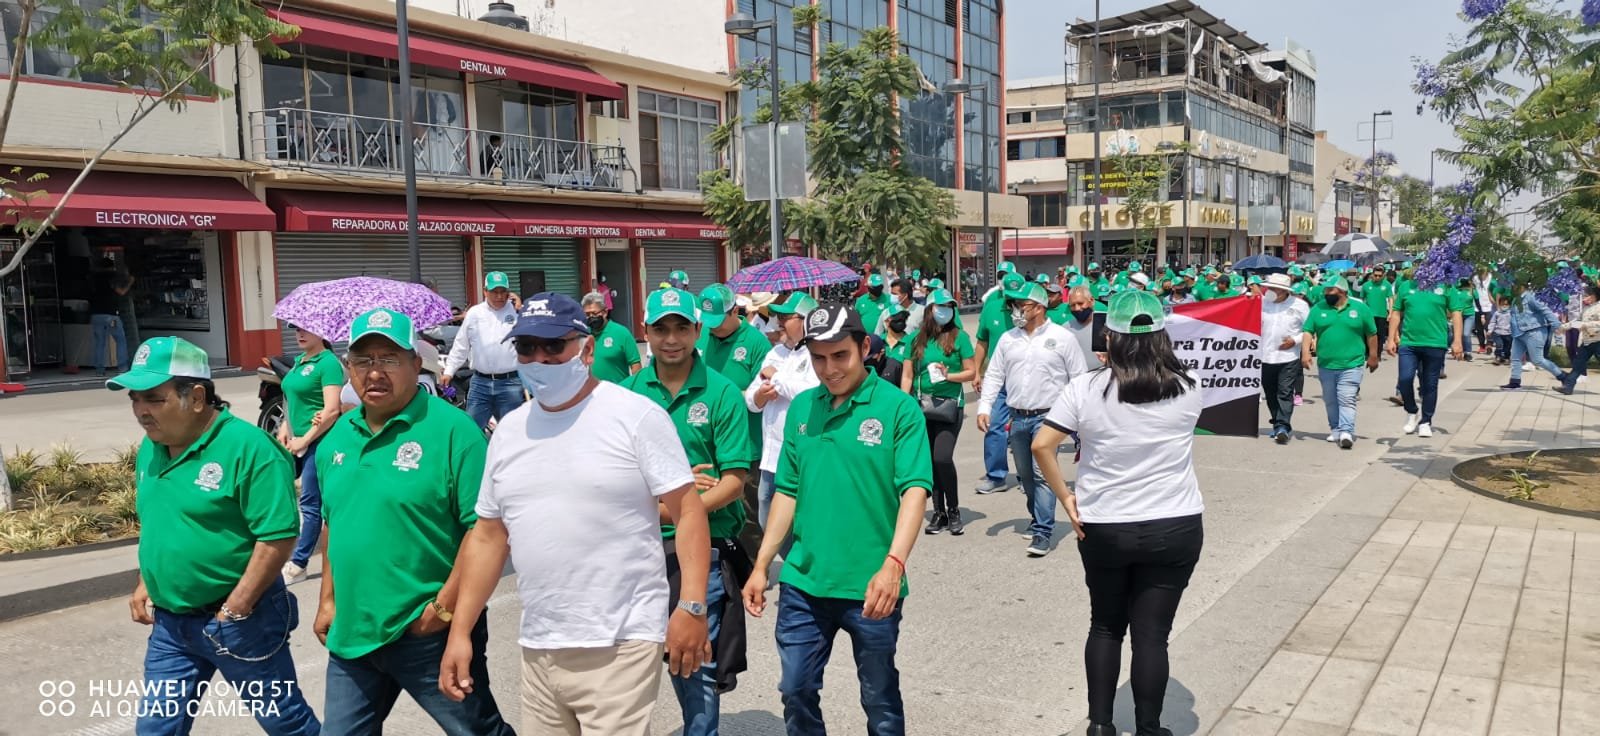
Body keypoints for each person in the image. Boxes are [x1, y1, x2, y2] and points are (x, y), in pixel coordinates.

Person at [441, 293, 712, 736]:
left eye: (553, 346)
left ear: (587, 349)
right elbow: (489, 537)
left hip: (621, 641)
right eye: (526, 347)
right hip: (540, 645)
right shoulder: (509, 431)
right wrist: (460, 632)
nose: (539, 359)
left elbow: (687, 512)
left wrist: (692, 606)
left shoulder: (635, 416)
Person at [312, 309, 514, 735]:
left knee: (477, 731)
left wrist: (443, 611)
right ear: (348, 367)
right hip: (354, 630)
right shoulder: (338, 437)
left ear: (415, 363)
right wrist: (327, 600)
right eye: (363, 360)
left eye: (389, 358)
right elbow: (333, 524)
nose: (375, 372)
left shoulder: (454, 432)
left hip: (426, 631)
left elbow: (483, 532)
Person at [113, 337, 321, 735]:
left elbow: (277, 536)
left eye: (153, 399)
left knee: (286, 722)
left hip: (243, 620)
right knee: (156, 728)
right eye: (135, 399)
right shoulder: (152, 447)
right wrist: (146, 581)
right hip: (171, 625)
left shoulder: (249, 449)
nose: (141, 411)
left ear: (195, 397)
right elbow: (162, 521)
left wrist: (236, 607)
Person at [741, 304, 932, 736]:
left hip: (872, 584)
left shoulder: (898, 409)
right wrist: (761, 564)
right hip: (804, 580)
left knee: (879, 696)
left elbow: (915, 492)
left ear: (864, 347)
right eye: (818, 358)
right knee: (795, 689)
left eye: (840, 356)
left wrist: (894, 565)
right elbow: (787, 491)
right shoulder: (803, 408)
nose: (829, 369)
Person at [1026, 290, 1203, 736]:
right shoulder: (1190, 385)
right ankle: (1149, 728)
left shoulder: (1085, 388)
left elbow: (1042, 445)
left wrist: (1065, 497)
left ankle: (1101, 726)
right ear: (1161, 335)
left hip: (1104, 524)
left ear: (1111, 337)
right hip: (1174, 522)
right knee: (1152, 636)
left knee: (1105, 626)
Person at [620, 288, 754, 736]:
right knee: (628, 663)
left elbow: (733, 483)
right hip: (637, 548)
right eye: (661, 329)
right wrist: (670, 502)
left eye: (681, 327)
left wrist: (675, 510)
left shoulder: (723, 393)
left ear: (698, 330)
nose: (672, 339)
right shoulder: (625, 395)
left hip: (702, 550)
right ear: (646, 332)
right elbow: (612, 479)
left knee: (694, 664)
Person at [977, 281, 1090, 557]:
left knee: (1042, 475)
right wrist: (984, 407)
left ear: (1039, 307)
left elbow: (1078, 378)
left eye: (1020, 305)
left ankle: (1043, 531)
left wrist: (1080, 420)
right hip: (1017, 417)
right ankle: (1036, 515)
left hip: (1049, 417)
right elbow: (995, 374)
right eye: (1012, 305)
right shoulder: (1008, 339)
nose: (1015, 310)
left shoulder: (1062, 338)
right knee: (1025, 475)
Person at [901, 289, 976, 536]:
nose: (946, 310)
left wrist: (948, 376)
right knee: (929, 461)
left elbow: (971, 372)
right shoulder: (915, 340)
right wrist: (903, 404)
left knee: (942, 457)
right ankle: (939, 512)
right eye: (941, 306)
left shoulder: (960, 337)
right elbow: (908, 375)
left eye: (949, 306)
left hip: (949, 406)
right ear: (929, 309)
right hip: (921, 406)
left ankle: (953, 510)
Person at [746, 291, 820, 531]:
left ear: (805, 320)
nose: (779, 322)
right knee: (767, 521)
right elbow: (751, 399)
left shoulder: (817, 354)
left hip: (798, 456)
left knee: (797, 523)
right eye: (779, 317)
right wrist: (761, 395)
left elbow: (811, 394)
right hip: (770, 457)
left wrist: (776, 379)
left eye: (786, 317)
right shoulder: (775, 352)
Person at [277, 325, 345, 584]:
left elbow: (331, 410)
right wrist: (286, 427)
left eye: (306, 329)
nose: (300, 334)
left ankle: (299, 563)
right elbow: (294, 400)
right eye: (296, 329)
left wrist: (305, 439)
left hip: (319, 442)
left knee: (310, 503)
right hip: (296, 441)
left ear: (322, 331)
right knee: (282, 494)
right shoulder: (299, 361)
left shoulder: (328, 363)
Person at [1303, 277, 1380, 449]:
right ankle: (1336, 429)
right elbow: (1308, 331)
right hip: (1326, 364)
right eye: (1325, 290)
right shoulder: (1318, 308)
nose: (1326, 293)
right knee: (1330, 399)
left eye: (1330, 290)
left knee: (1346, 398)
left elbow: (1372, 333)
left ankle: (1346, 431)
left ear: (1343, 291)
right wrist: (1305, 353)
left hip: (1352, 363)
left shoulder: (1360, 308)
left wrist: (1373, 355)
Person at [443, 271, 524, 430]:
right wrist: (449, 371)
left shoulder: (517, 312)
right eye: (494, 292)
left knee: (511, 431)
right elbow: (461, 345)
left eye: (503, 292)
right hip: (481, 383)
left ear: (509, 293)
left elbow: (531, 341)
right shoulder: (474, 313)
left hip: (510, 383)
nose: (499, 296)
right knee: (471, 429)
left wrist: (521, 311)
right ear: (485, 291)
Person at [1388, 279, 1466, 438]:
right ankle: (1412, 411)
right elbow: (1396, 313)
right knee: (1404, 379)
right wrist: (1391, 339)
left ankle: (1425, 421)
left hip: (1435, 343)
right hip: (1409, 343)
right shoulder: (1406, 286)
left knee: (1429, 384)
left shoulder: (1446, 286)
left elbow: (1456, 313)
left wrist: (1457, 341)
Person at [972, 272, 1026, 495]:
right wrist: (977, 372)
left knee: (1024, 427)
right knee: (994, 426)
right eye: (1010, 296)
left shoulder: (1031, 309)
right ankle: (996, 476)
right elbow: (982, 342)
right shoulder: (991, 308)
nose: (1014, 300)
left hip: (1025, 376)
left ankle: (1027, 476)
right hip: (998, 378)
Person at [1259, 274, 1309, 445]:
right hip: (1265, 356)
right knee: (1270, 393)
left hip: (1288, 357)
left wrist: (1295, 340)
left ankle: (1283, 426)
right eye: (1269, 287)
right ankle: (1276, 422)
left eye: (1274, 288)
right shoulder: (1261, 303)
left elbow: (1309, 329)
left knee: (1285, 392)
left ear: (1283, 290)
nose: (1270, 290)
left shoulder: (1299, 306)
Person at [696, 284, 772, 391]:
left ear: (735, 311)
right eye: (708, 320)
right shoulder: (699, 334)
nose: (712, 327)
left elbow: (762, 391)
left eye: (718, 321)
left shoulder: (758, 344)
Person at [1502, 286, 1567, 391]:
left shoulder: (1532, 297)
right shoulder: (1515, 299)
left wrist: (1556, 324)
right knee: (1515, 358)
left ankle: (1563, 376)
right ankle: (1514, 382)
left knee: (1537, 360)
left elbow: (1545, 310)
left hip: (1534, 331)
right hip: (1518, 333)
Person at [582, 290, 643, 383]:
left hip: (618, 389)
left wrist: (635, 386)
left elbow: (635, 365)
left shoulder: (621, 333)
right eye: (587, 314)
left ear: (605, 312)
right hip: (592, 391)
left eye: (594, 313)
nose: (591, 317)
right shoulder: (583, 334)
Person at [90, 256, 134, 376]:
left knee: (100, 343)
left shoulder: (93, 278)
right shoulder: (112, 277)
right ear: (112, 266)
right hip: (111, 315)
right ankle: (122, 368)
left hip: (96, 315)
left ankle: (99, 370)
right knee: (120, 340)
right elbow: (121, 291)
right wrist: (130, 282)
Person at [1559, 284, 1600, 393]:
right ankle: (1568, 387)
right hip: (1587, 342)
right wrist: (1564, 327)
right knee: (1578, 364)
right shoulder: (1586, 308)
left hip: (1598, 341)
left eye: (1586, 296)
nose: (1584, 298)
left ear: (1594, 296)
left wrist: (1587, 325)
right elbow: (1577, 321)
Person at [1063, 286, 1105, 372]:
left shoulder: (1106, 324)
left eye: (1080, 303)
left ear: (1092, 301)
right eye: (1072, 305)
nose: (1077, 308)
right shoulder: (1065, 329)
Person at [1489, 295, 1514, 366]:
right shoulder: (1497, 313)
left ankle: (1506, 358)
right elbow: (1493, 322)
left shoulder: (1511, 313)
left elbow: (1514, 322)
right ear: (1499, 305)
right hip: (1498, 333)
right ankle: (1498, 357)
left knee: (1507, 347)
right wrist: (1490, 330)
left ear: (1509, 305)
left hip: (1508, 333)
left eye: (1506, 304)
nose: (1504, 306)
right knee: (1499, 345)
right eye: (1502, 304)